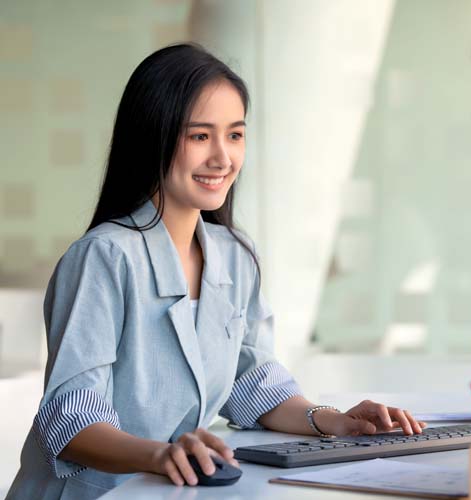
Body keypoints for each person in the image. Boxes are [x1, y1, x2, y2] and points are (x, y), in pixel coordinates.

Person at [7, 43, 426, 500]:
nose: (223, 158)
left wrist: (334, 420)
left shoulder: (234, 256)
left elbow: (254, 381)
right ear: (153, 138)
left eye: (235, 135)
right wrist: (161, 455)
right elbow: (70, 420)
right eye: (200, 136)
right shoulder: (104, 258)